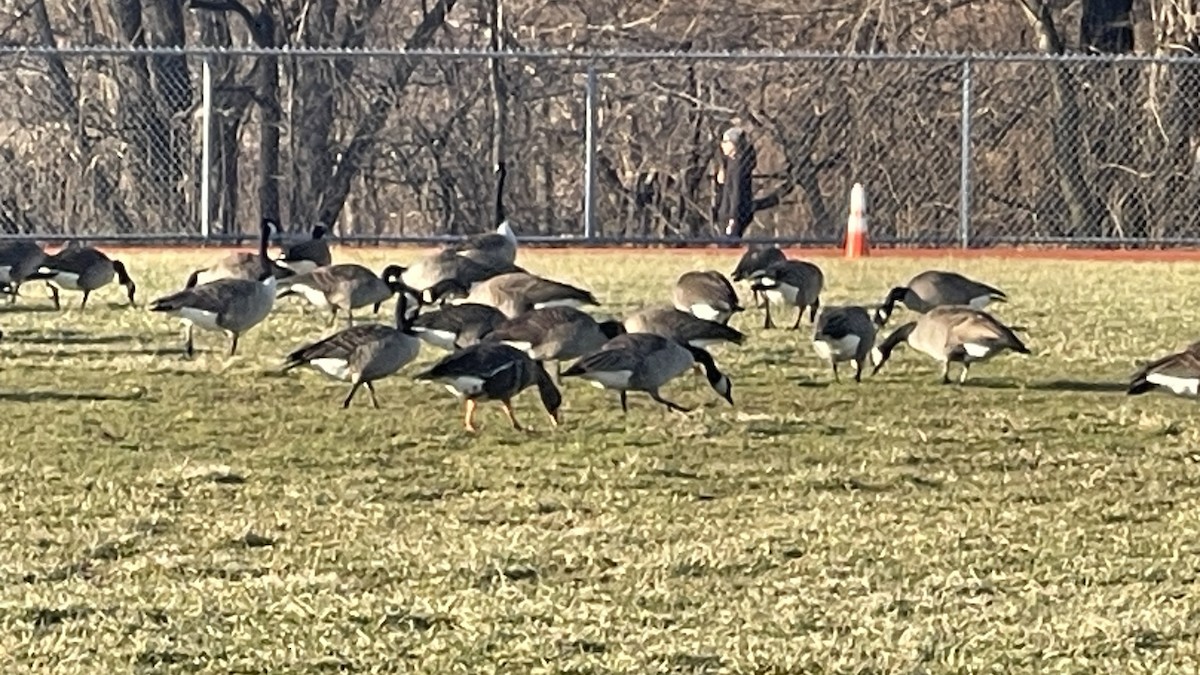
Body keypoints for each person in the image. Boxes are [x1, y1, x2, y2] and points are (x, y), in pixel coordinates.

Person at [714, 126, 757, 240]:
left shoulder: (739, 166)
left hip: (733, 213)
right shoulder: (731, 162)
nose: (722, 145)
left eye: (725, 141)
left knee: (728, 243)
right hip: (728, 211)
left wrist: (733, 217)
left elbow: (736, 192)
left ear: (734, 144)